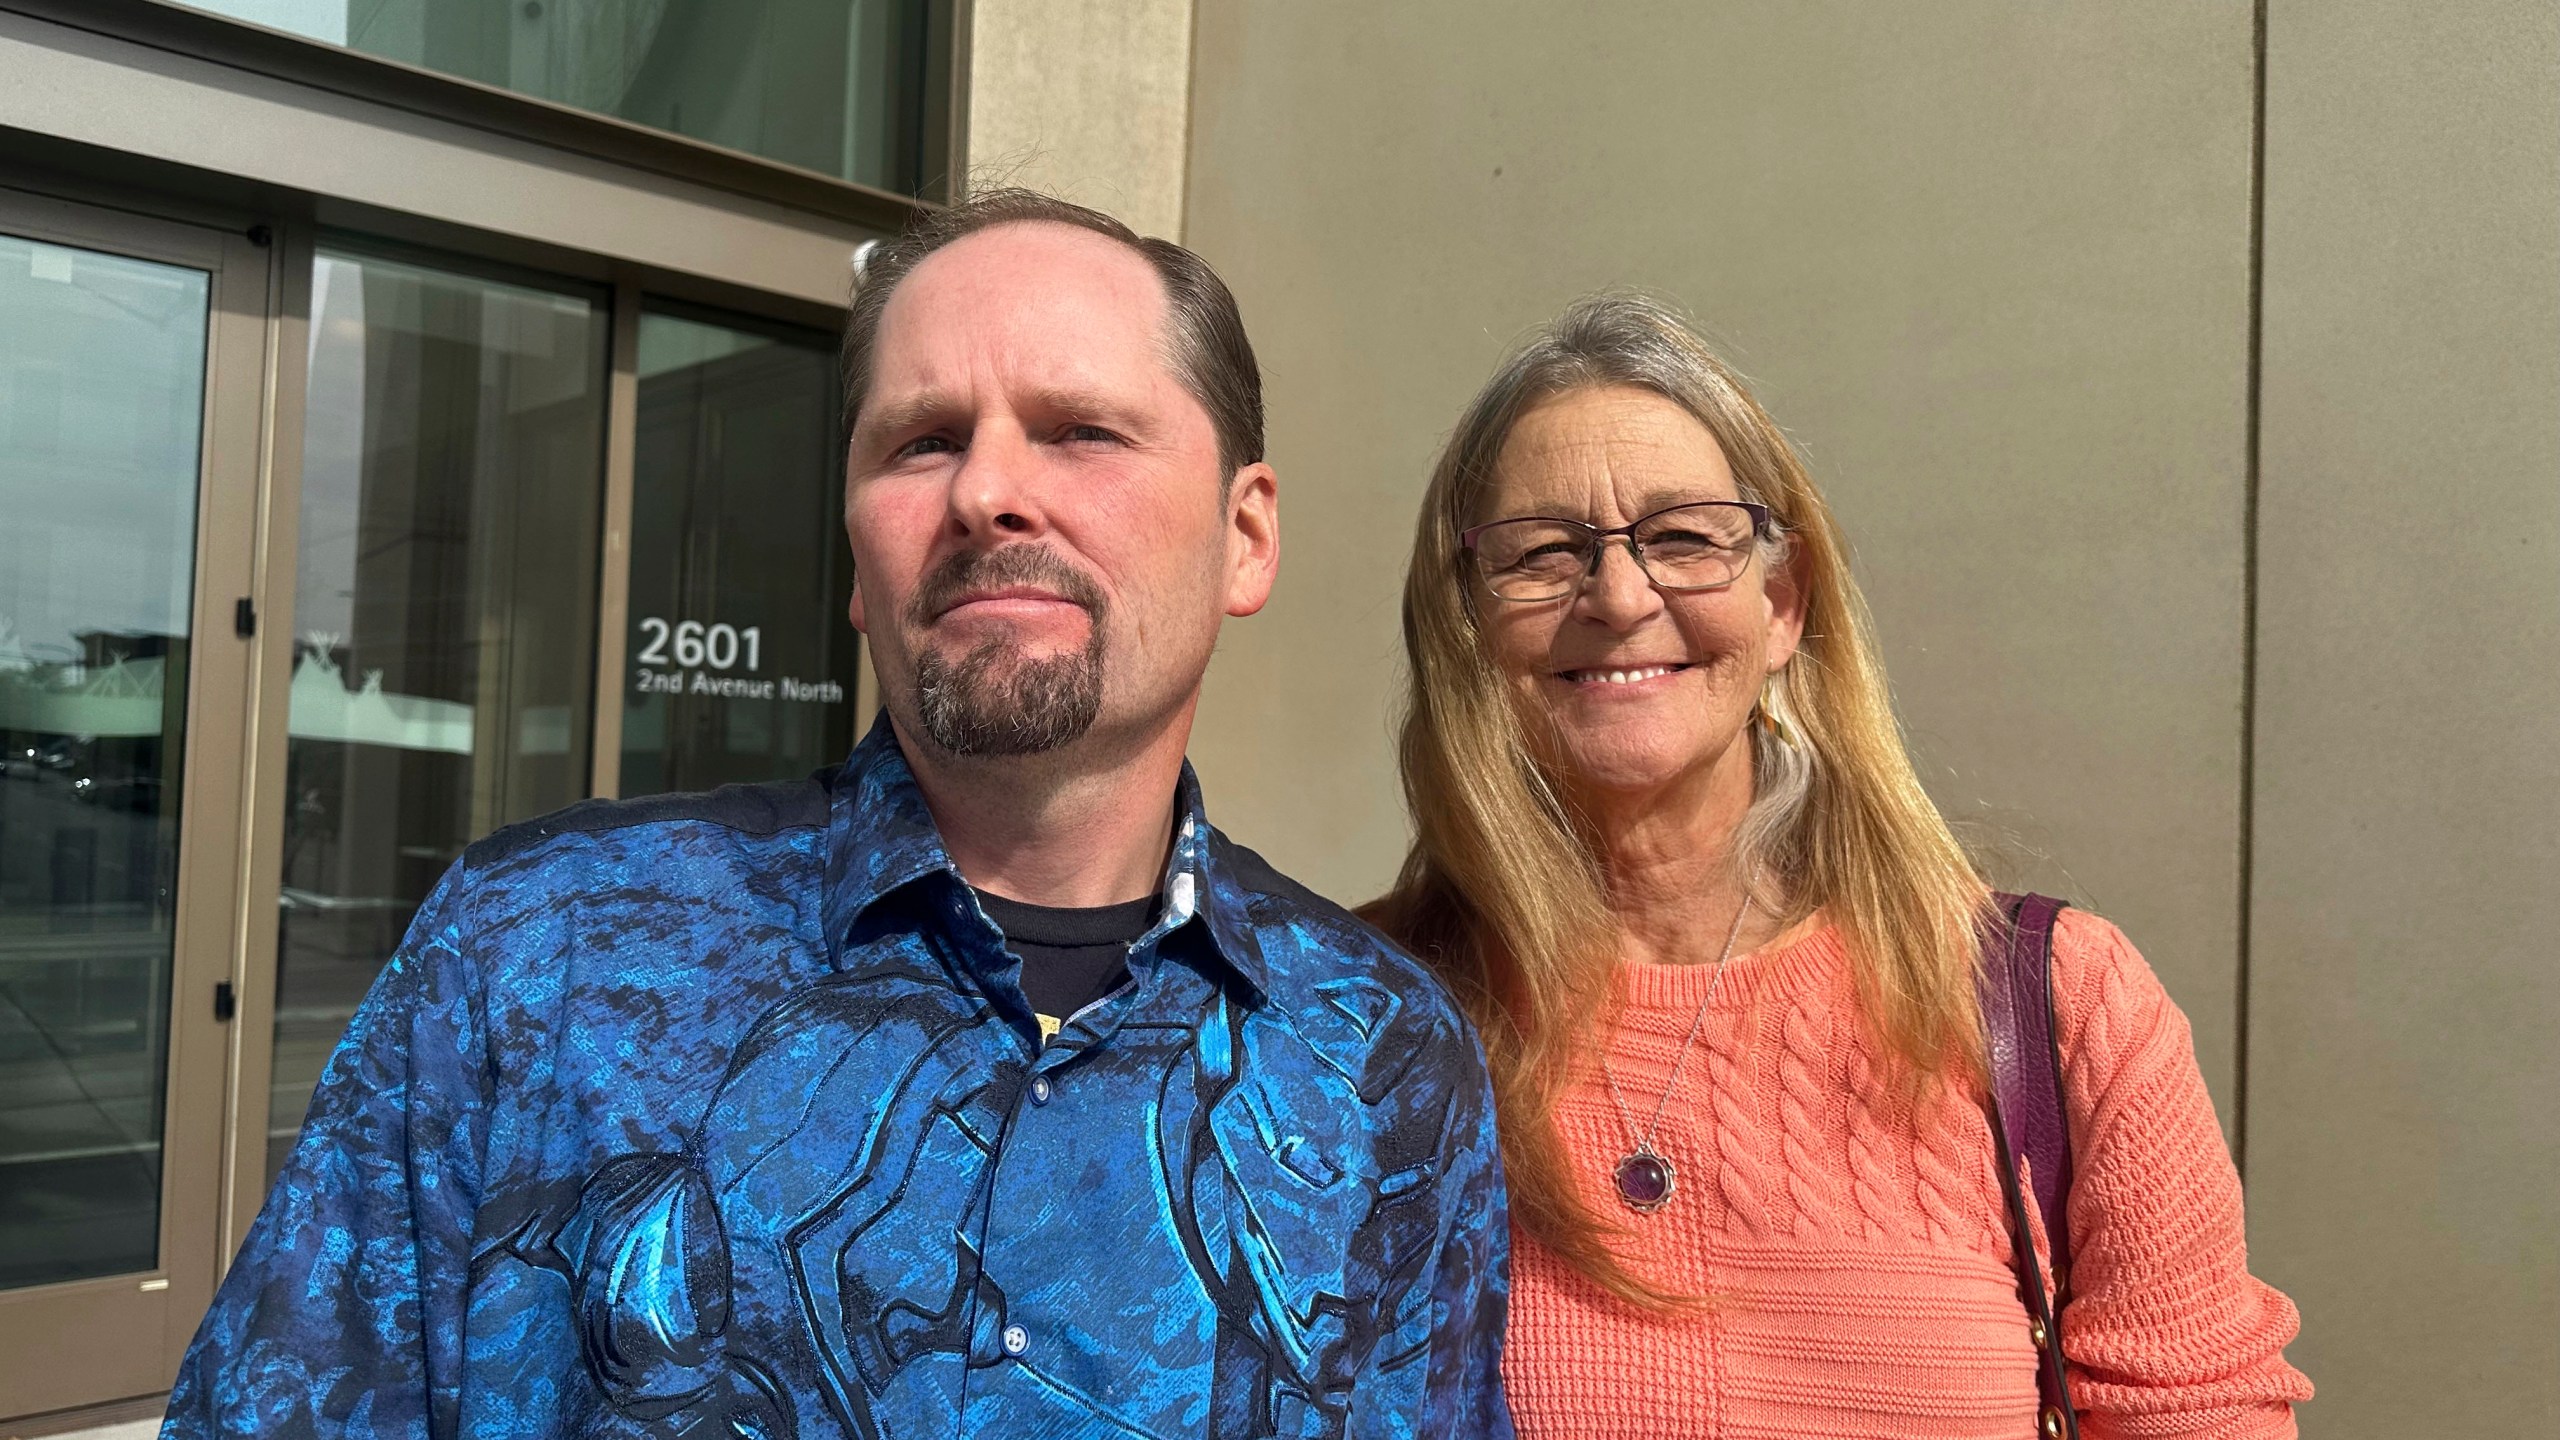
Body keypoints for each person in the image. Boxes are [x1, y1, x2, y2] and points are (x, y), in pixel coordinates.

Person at [164, 190, 1514, 1440]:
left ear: (1247, 536)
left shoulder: (1384, 1064)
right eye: (923, 442)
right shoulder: (537, 959)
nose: (987, 492)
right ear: (861, 566)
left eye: (1079, 430)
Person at [1364, 294, 2310, 1437]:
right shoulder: (1345, 1024)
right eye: (1543, 552)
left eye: (1682, 537)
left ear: (1783, 606)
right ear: (1466, 617)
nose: (1618, 598)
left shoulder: (2058, 1009)